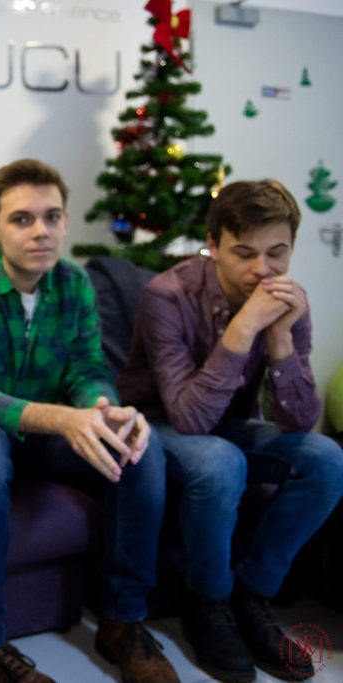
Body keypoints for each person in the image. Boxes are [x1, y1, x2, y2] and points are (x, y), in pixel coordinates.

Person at [0, 159, 177, 683]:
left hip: (41, 434)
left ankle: (123, 621)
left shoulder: (73, 283)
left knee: (137, 446)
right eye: (23, 219)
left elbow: (87, 370)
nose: (41, 231)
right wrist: (62, 418)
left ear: (66, 221)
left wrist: (102, 409)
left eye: (52, 217)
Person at [119, 179, 343, 682]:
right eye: (244, 253)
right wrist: (243, 329)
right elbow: (189, 419)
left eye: (276, 253)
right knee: (220, 460)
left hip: (231, 426)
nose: (262, 270)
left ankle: (251, 594)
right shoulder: (166, 295)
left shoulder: (288, 302)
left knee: (327, 459)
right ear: (213, 245)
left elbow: (298, 421)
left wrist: (281, 338)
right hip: (156, 425)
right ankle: (208, 601)